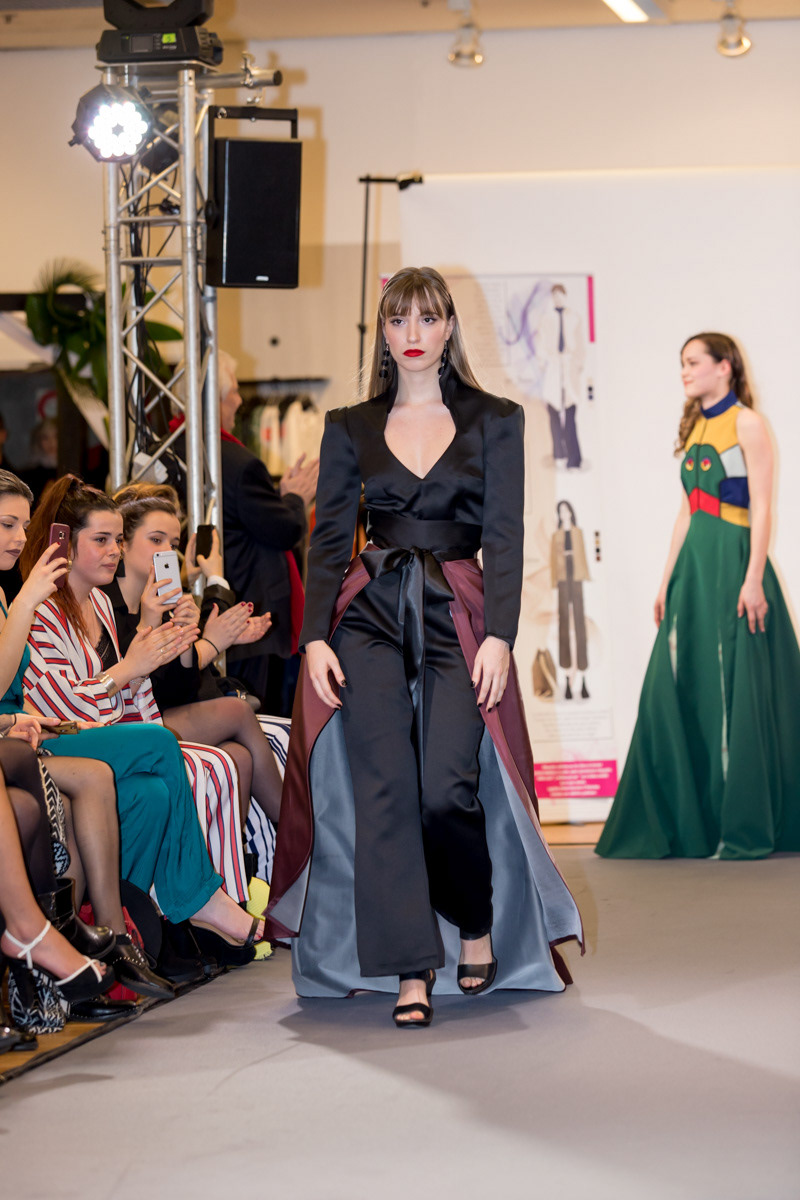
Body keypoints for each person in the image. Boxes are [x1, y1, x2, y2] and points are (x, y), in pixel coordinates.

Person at [267, 267, 583, 1027]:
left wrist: (500, 635)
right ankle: (411, 966)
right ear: (382, 332)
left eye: (428, 318)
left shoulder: (496, 419)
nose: (413, 334)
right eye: (398, 320)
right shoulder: (348, 424)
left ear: (449, 327)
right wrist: (315, 639)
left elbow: (504, 536)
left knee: (446, 787)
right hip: (369, 613)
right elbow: (329, 538)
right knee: (383, 786)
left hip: (457, 607)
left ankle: (474, 923)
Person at [11, 473, 264, 946]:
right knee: (161, 740)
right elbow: (61, 710)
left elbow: (132, 701)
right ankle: (200, 898)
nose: (114, 551)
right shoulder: (39, 608)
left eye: (117, 540)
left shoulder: (100, 605)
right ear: (64, 544)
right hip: (49, 742)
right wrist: (129, 668)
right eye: (101, 540)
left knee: (152, 792)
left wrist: (149, 652)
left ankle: (127, 929)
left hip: (93, 739)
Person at [596, 333, 800, 860]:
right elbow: (687, 510)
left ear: (724, 367)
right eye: (682, 363)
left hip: (734, 559)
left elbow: (762, 507)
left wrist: (753, 577)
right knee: (681, 679)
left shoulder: (748, 424)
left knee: (736, 684)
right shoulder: (695, 426)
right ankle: (692, 820)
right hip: (695, 565)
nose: (685, 371)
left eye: (693, 362)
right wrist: (667, 579)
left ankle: (741, 820)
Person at [108, 481, 282, 826]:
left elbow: (181, 689)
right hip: (124, 720)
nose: (167, 553)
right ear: (122, 543)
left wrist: (186, 638)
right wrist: (197, 639)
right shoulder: (105, 603)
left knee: (237, 757)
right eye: (156, 540)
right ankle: (298, 830)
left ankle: (235, 856)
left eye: (173, 544)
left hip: (164, 712)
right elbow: (135, 689)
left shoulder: (162, 601)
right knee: (237, 711)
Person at [215, 350, 318, 714]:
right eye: (234, 392)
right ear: (215, 398)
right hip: (252, 615)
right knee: (262, 716)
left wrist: (280, 497)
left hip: (225, 613)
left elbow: (250, 518)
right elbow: (282, 529)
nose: (239, 401)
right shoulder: (238, 463)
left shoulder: (174, 451)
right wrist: (295, 499)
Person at [550, 499, 590, 700]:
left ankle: (583, 676)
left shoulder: (578, 532)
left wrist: (585, 576)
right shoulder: (556, 535)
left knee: (580, 624)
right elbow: (552, 560)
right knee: (564, 625)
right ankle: (566, 678)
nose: (564, 514)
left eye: (566, 510)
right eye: (561, 511)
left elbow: (582, 556)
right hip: (562, 580)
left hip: (577, 579)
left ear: (571, 512)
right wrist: (554, 582)